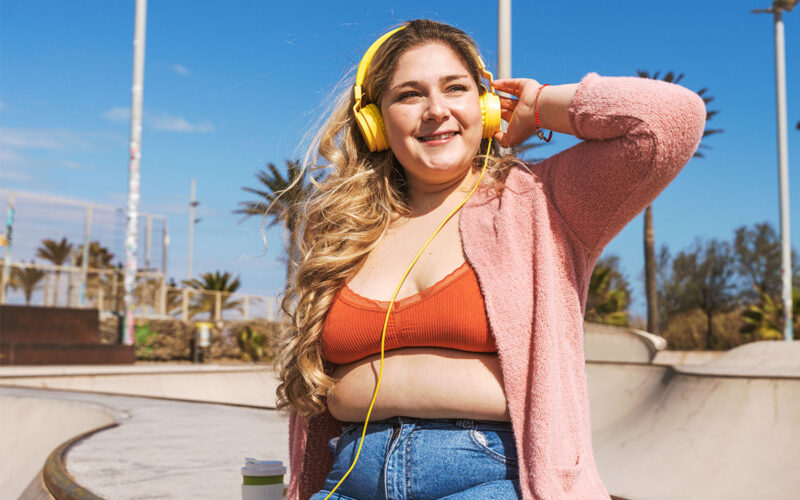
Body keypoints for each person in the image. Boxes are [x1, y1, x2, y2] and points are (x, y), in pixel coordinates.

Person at [271, 19, 706, 500]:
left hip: (492, 478)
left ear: (485, 107)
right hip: (348, 476)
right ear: (375, 122)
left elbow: (670, 120)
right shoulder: (348, 231)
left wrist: (538, 105)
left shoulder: (543, 203)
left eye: (455, 88)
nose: (436, 111)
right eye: (409, 95)